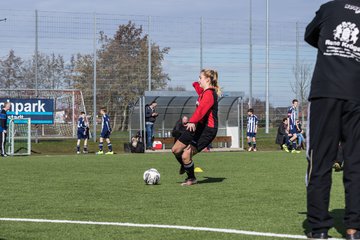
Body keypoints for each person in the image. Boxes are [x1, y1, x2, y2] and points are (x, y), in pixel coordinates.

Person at [305, 1, 360, 239]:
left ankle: (319, 228)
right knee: (356, 163)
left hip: (325, 91)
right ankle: (354, 228)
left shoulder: (329, 8)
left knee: (320, 161)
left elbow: (310, 35)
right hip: (356, 92)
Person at [171, 69, 220, 186]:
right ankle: (185, 165)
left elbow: (201, 110)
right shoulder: (204, 92)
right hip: (198, 127)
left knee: (185, 155)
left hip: (208, 130)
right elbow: (197, 87)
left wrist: (192, 121)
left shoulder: (209, 94)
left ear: (207, 79)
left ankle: (191, 178)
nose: (199, 80)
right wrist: (195, 83)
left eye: (200, 78)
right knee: (175, 150)